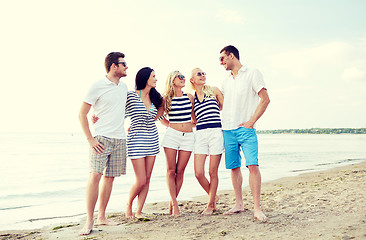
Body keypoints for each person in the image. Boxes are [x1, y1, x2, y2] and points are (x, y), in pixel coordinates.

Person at [78, 52, 128, 235]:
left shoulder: (124, 88)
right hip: (101, 139)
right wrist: (90, 139)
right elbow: (82, 113)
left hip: (120, 139)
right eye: (123, 63)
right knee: (95, 176)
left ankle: (102, 216)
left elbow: (124, 109)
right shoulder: (97, 85)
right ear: (114, 66)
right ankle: (89, 220)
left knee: (110, 178)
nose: (126, 67)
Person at [219, 45, 270, 221]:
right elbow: (222, 105)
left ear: (231, 56)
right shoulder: (225, 81)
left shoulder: (252, 73)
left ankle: (257, 208)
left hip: (246, 129)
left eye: (222, 59)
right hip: (227, 129)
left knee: (253, 166)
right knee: (234, 167)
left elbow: (265, 99)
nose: (221, 63)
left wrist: (251, 122)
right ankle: (239, 204)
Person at [124, 67, 163, 218]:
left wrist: (150, 120)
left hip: (152, 139)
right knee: (140, 180)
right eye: (153, 76)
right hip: (136, 141)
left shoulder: (155, 97)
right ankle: (129, 204)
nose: (156, 79)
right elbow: (118, 111)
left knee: (147, 178)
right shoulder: (131, 96)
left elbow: (161, 110)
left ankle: (139, 211)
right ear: (145, 78)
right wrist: (97, 117)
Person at [188, 68, 224, 215]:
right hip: (201, 134)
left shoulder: (214, 90)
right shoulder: (191, 97)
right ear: (192, 80)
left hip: (216, 132)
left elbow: (223, 107)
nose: (203, 75)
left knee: (212, 171)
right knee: (198, 173)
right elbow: (193, 118)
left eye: (204, 73)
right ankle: (213, 196)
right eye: (199, 74)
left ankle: (210, 205)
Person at [160, 71, 195, 217]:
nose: (183, 79)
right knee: (170, 171)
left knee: (180, 171)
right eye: (179, 77)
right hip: (172, 136)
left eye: (183, 77)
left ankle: (172, 203)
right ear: (172, 80)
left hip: (188, 137)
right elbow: (160, 116)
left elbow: (194, 116)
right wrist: (171, 126)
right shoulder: (166, 99)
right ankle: (175, 205)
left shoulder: (190, 97)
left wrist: (189, 125)